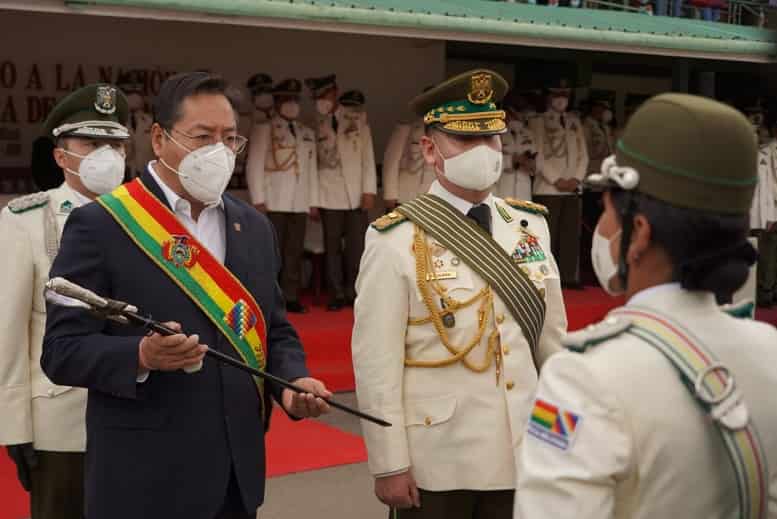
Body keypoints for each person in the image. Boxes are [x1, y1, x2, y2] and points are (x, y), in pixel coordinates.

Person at [41, 72, 331, 519]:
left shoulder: (251, 227)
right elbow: (61, 351)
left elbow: (271, 327)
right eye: (202, 136)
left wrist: (292, 384)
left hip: (236, 475)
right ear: (158, 139)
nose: (219, 151)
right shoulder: (103, 225)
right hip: (144, 479)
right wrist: (140, 354)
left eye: (230, 138)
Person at [515, 93, 777, 519]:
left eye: (605, 210)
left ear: (638, 233)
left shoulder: (580, 377)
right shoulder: (769, 352)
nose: (601, 227)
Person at [352, 69, 567, 519]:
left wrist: (562, 436)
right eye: (466, 141)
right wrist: (389, 463)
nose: (484, 152)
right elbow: (376, 362)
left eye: (491, 139)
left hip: (524, 449)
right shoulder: (393, 238)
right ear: (430, 149)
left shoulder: (529, 225)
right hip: (441, 458)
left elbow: (553, 345)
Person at [0, 83, 130, 519]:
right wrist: (14, 425)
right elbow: (8, 330)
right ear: (61, 156)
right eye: (91, 143)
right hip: (63, 424)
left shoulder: (150, 222)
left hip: (140, 416)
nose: (105, 155)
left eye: (114, 144)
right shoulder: (26, 222)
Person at [305, 74, 377, 310]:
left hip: (355, 193)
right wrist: (313, 201)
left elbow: (367, 157)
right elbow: (312, 165)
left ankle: (354, 292)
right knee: (332, 248)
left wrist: (369, 190)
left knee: (356, 247)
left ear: (335, 92)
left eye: (324, 95)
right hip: (328, 194)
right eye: (317, 97)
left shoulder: (356, 117)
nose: (321, 100)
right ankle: (336, 293)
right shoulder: (313, 122)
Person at [248, 78, 319, 313]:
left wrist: (313, 201)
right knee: (271, 253)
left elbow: (311, 170)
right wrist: (258, 198)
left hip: (299, 201)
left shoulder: (306, 132)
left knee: (294, 252)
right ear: (277, 102)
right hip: (273, 200)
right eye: (287, 100)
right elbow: (255, 164)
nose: (292, 105)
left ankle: (291, 296)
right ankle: (269, 298)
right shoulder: (264, 128)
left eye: (295, 100)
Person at [530, 78, 589, 288]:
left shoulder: (575, 121)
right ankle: (546, 279)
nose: (561, 99)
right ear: (548, 97)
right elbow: (537, 154)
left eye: (565, 95)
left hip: (572, 188)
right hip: (548, 188)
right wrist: (557, 180)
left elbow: (584, 154)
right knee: (548, 236)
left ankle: (567, 278)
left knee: (570, 235)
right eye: (557, 95)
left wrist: (576, 179)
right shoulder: (538, 121)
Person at [745, 103, 777, 307]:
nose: (759, 130)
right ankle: (751, 292)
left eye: (762, 126)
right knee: (749, 253)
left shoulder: (773, 150)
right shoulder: (745, 149)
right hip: (748, 213)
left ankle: (767, 293)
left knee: (768, 255)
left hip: (769, 213)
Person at [382, 89, 437, 209]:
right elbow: (391, 162)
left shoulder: (447, 133)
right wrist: (390, 194)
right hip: (406, 196)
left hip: (433, 199)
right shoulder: (406, 129)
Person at [495, 89, 538, 201]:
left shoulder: (528, 134)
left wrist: (532, 165)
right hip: (502, 192)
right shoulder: (496, 134)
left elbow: (538, 163)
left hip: (523, 193)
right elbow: (490, 165)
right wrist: (512, 160)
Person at [118, 70, 154, 179]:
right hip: (121, 178)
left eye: (137, 92)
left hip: (146, 178)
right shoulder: (115, 122)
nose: (134, 96)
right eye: (129, 92)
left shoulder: (151, 121)